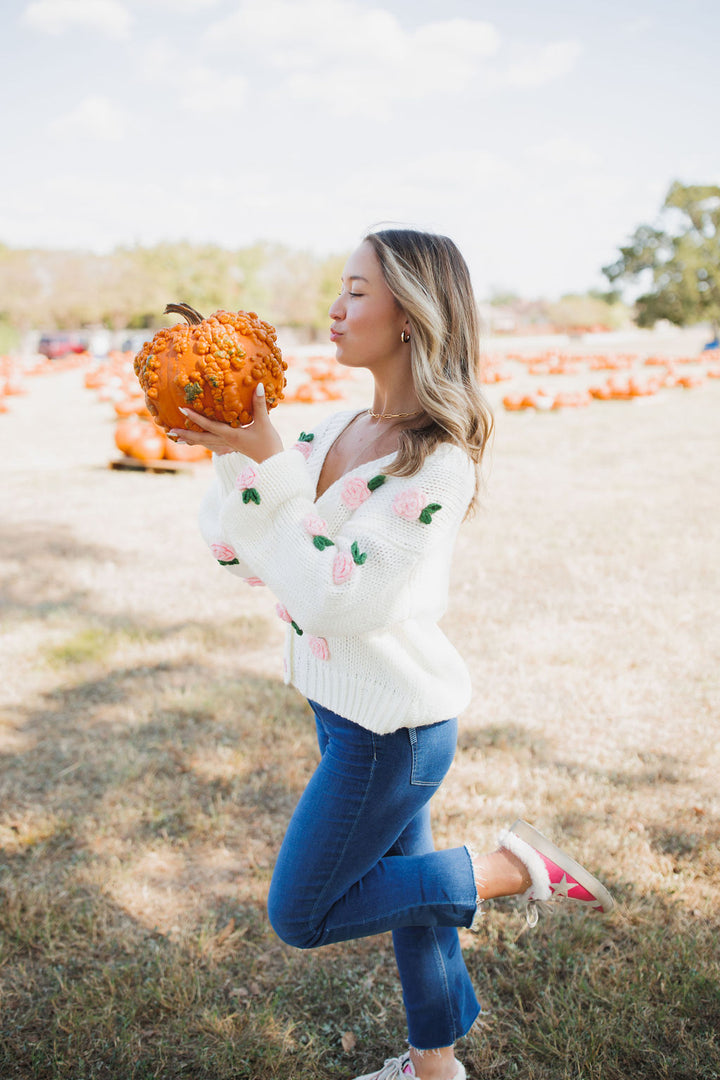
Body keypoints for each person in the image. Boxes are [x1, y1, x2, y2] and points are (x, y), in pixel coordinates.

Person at [172, 228, 613, 1080]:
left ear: (411, 316)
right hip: (343, 708)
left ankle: (515, 869)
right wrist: (240, 453)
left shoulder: (436, 465)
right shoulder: (334, 426)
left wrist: (263, 469)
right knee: (415, 898)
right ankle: (434, 1067)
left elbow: (336, 592)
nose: (333, 308)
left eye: (357, 291)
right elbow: (236, 547)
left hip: (394, 728)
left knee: (302, 912)